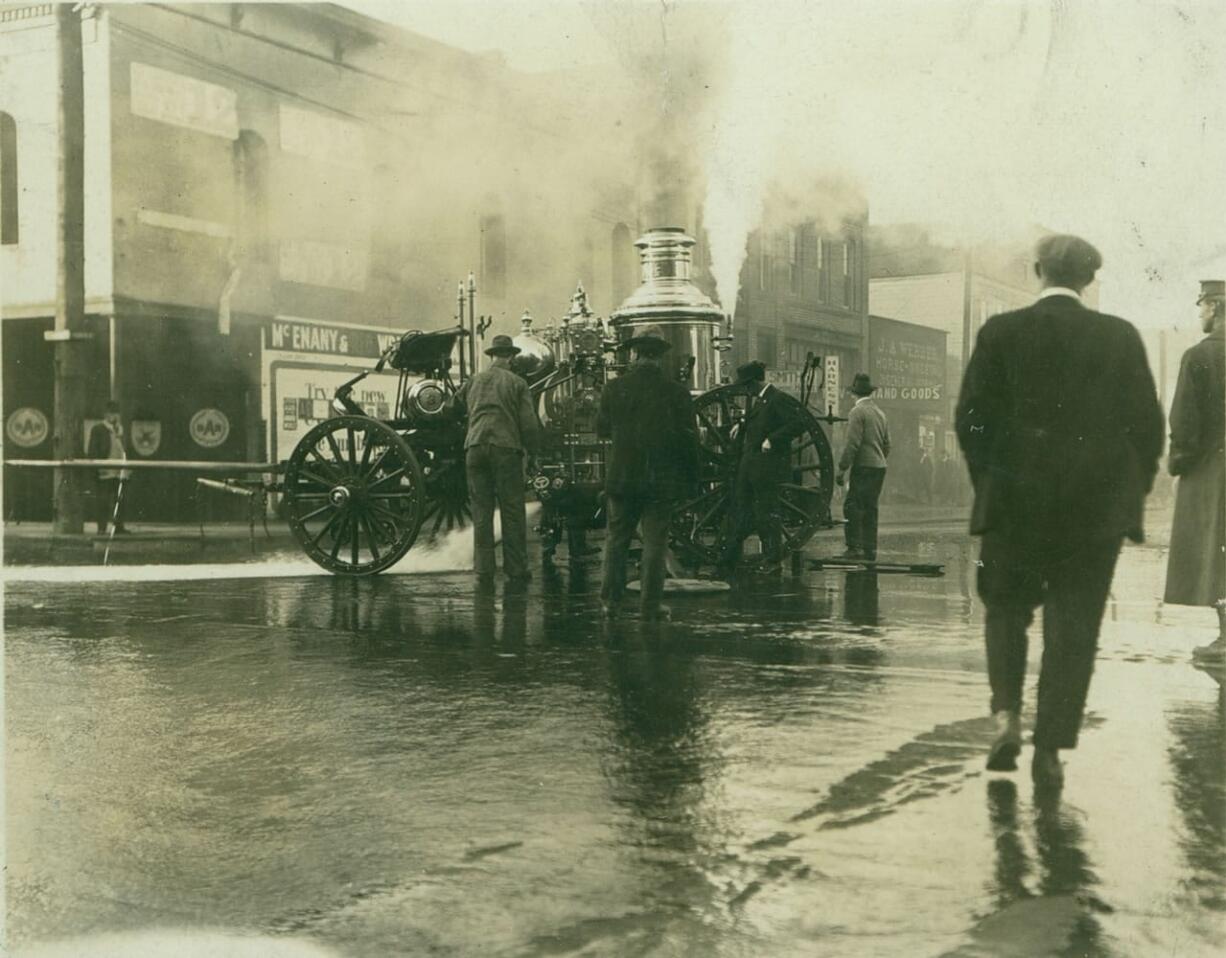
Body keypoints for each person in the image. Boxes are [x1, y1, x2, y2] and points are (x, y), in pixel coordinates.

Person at [956, 234, 1164, 788]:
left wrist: (993, 481)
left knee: (1005, 610)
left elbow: (971, 418)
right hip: (1093, 512)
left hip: (1014, 501)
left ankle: (1006, 716)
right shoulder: (1119, 337)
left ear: (1037, 271)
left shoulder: (1001, 333)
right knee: (1074, 627)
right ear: (1088, 280)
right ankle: (1049, 749)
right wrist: (1128, 493)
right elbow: (1147, 427)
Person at [597, 324, 699, 621]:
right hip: (660, 480)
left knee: (616, 540)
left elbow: (602, 429)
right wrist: (692, 479)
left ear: (634, 353)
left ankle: (610, 603)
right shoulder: (677, 393)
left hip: (622, 477)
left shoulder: (614, 388)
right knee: (655, 543)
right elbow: (688, 440)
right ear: (660, 357)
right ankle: (650, 606)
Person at [1164, 279, 1226, 665]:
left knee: (1217, 552)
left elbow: (1184, 421)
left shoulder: (1200, 357)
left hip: (1213, 470)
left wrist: (1179, 462)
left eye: (1202, 305)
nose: (1200, 313)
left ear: (1217, 308)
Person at [454, 334, 540, 582]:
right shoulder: (518, 383)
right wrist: (534, 453)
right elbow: (529, 424)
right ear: (511, 357)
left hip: (474, 448)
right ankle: (516, 569)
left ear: (492, 356)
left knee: (481, 512)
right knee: (512, 510)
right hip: (505, 449)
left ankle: (484, 569)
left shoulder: (474, 381)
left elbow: (452, 406)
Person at [717, 360, 804, 577]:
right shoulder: (762, 401)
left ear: (755, 382)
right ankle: (729, 560)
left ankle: (772, 559)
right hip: (750, 467)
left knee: (767, 513)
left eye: (747, 384)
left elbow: (799, 423)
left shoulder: (777, 399)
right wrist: (742, 424)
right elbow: (760, 421)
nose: (745, 389)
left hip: (766, 468)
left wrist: (772, 440)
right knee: (741, 510)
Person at [836, 373, 891, 560]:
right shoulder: (880, 413)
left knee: (852, 506)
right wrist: (878, 458)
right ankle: (870, 549)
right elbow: (887, 444)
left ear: (854, 394)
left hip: (864, 466)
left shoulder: (857, 412)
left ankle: (853, 548)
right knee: (870, 508)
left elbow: (852, 444)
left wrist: (842, 467)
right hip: (879, 466)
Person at [87, 400, 131, 535]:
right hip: (105, 470)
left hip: (120, 470)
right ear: (105, 414)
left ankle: (119, 526)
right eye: (111, 413)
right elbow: (92, 450)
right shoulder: (98, 429)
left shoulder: (121, 430)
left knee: (120, 499)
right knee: (103, 500)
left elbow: (124, 449)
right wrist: (98, 466)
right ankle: (101, 528)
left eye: (116, 413)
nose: (114, 416)